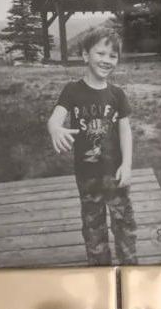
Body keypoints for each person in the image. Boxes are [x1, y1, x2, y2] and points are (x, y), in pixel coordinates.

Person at [47, 26, 138, 265]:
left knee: (124, 222)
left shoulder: (117, 94)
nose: (107, 60)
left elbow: (125, 131)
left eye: (113, 55)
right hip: (87, 176)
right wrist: (55, 128)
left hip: (115, 173)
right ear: (85, 55)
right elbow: (56, 118)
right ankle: (99, 267)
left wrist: (127, 165)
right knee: (93, 226)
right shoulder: (72, 90)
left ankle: (130, 265)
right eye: (100, 53)